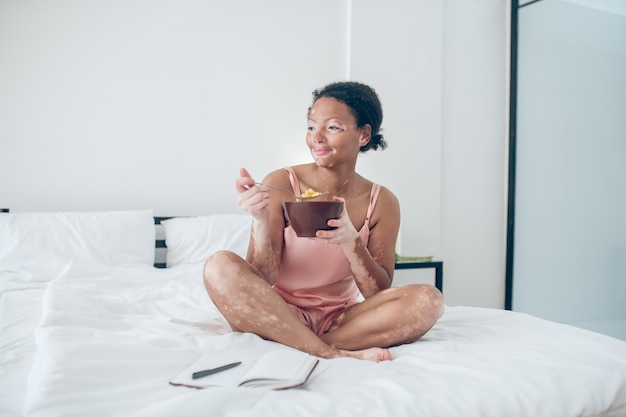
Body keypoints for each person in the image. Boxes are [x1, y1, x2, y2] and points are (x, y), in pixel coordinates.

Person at [203, 81, 444, 362]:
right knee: (218, 265)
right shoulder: (281, 183)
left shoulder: (382, 202)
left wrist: (351, 241)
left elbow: (377, 292)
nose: (317, 137)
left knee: (430, 300)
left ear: (363, 135)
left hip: (341, 321)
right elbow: (263, 276)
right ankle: (328, 354)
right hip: (277, 310)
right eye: (310, 127)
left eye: (332, 127)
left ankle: (302, 343)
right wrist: (259, 220)